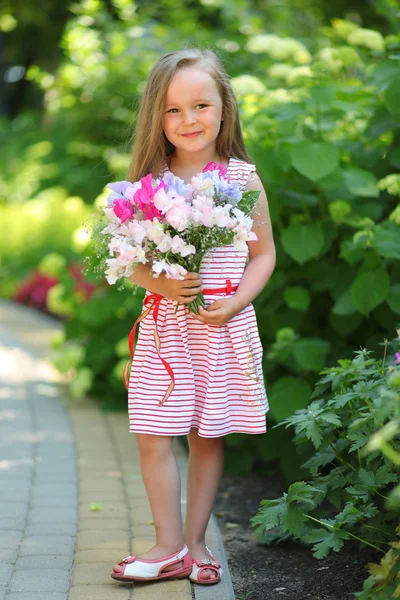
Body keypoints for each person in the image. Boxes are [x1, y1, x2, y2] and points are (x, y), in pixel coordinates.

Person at [111, 48, 276, 586]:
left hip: (219, 324)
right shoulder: (148, 183)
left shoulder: (241, 179)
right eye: (174, 110)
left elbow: (263, 254)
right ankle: (167, 544)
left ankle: (197, 545)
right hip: (165, 329)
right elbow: (128, 261)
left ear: (224, 108)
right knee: (153, 433)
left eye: (201, 105)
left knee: (208, 434)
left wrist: (237, 301)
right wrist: (157, 280)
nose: (189, 120)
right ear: (157, 118)